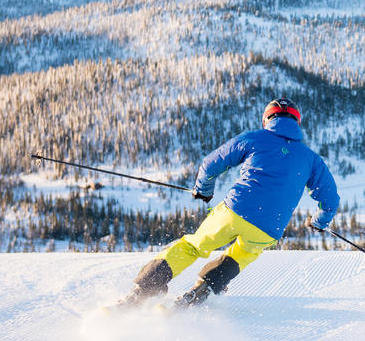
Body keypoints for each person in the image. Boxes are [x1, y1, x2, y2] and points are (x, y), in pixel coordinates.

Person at [118, 97, 339, 309]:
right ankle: (200, 292)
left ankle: (143, 289)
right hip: (269, 227)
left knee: (194, 245)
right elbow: (330, 200)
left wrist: (204, 190)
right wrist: (319, 222)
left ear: (267, 119)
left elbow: (211, 163)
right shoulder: (311, 159)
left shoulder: (254, 138)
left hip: (235, 210)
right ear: (297, 122)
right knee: (239, 256)